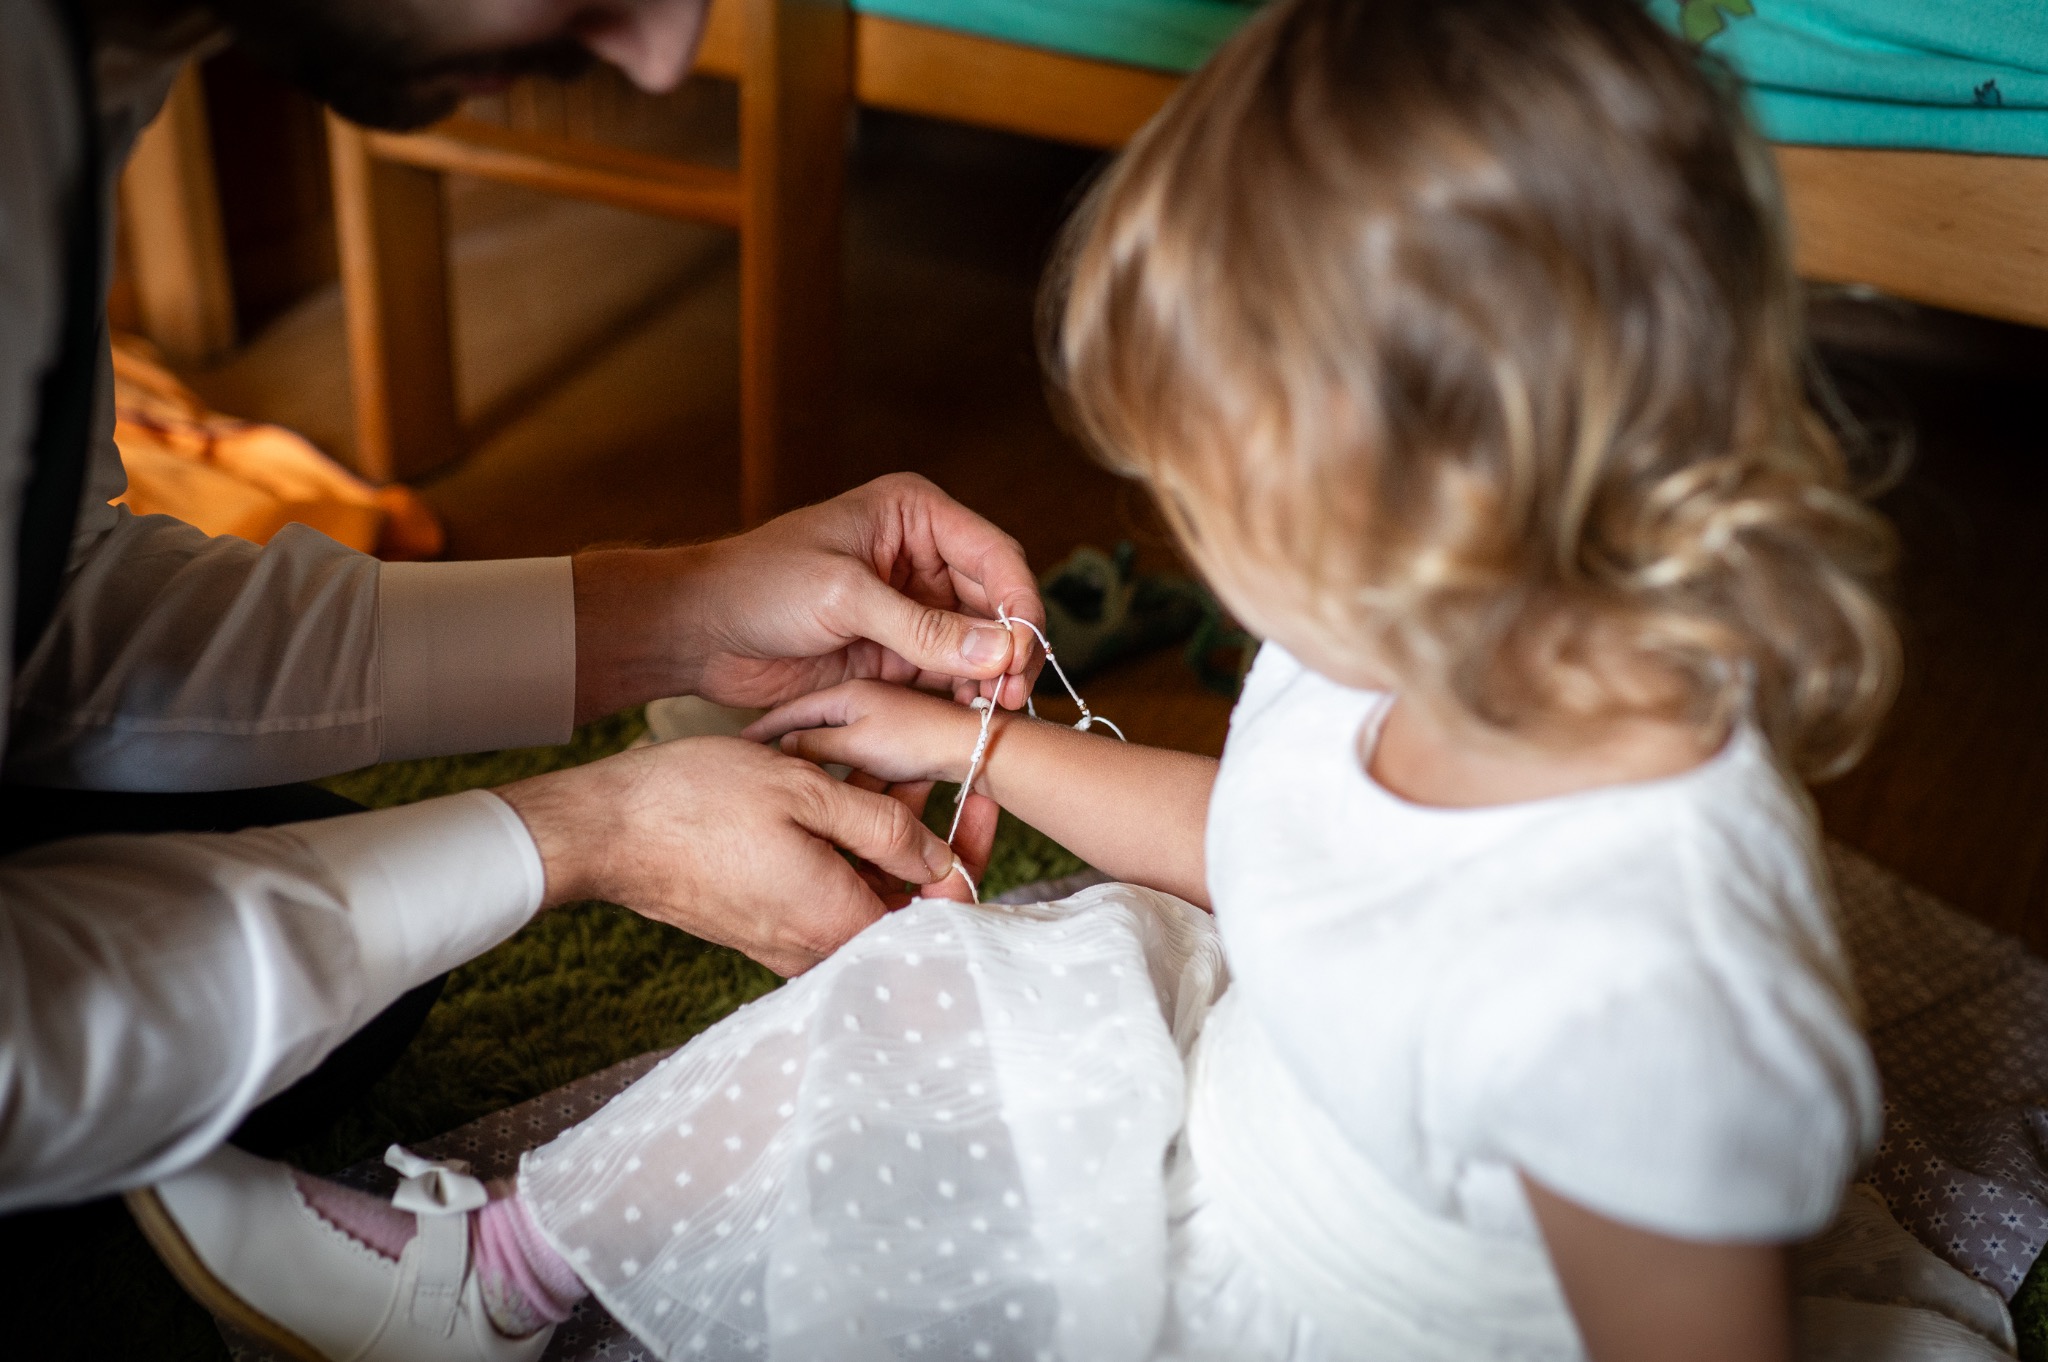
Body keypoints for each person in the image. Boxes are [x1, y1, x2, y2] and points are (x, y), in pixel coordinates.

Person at [126, 0, 2023, 1357]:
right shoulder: (1438, 635)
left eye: (1211, 496)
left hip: (1331, 1307)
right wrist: (961, 735)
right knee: (964, 977)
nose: (1192, 539)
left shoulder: (1638, 993)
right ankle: (506, 1272)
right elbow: (1267, 841)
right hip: (1271, 1085)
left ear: (1433, 505)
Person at [0, 0, 1044, 1217]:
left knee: (349, 953)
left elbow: (50, 609)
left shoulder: (84, 66)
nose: (662, 58)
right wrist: (583, 835)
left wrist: (676, 616)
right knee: (357, 928)